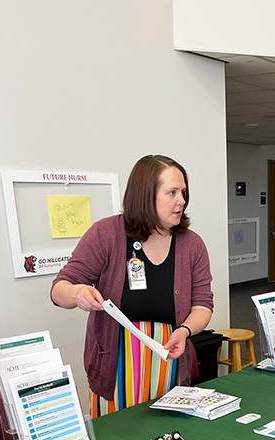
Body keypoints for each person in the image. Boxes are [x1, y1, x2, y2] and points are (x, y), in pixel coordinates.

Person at [51, 155, 214, 417]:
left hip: (170, 361)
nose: (181, 200)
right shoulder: (106, 234)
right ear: (146, 196)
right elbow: (60, 288)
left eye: (183, 192)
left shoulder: (192, 244)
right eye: (171, 192)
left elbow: (203, 305)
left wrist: (184, 331)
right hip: (114, 368)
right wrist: (77, 293)